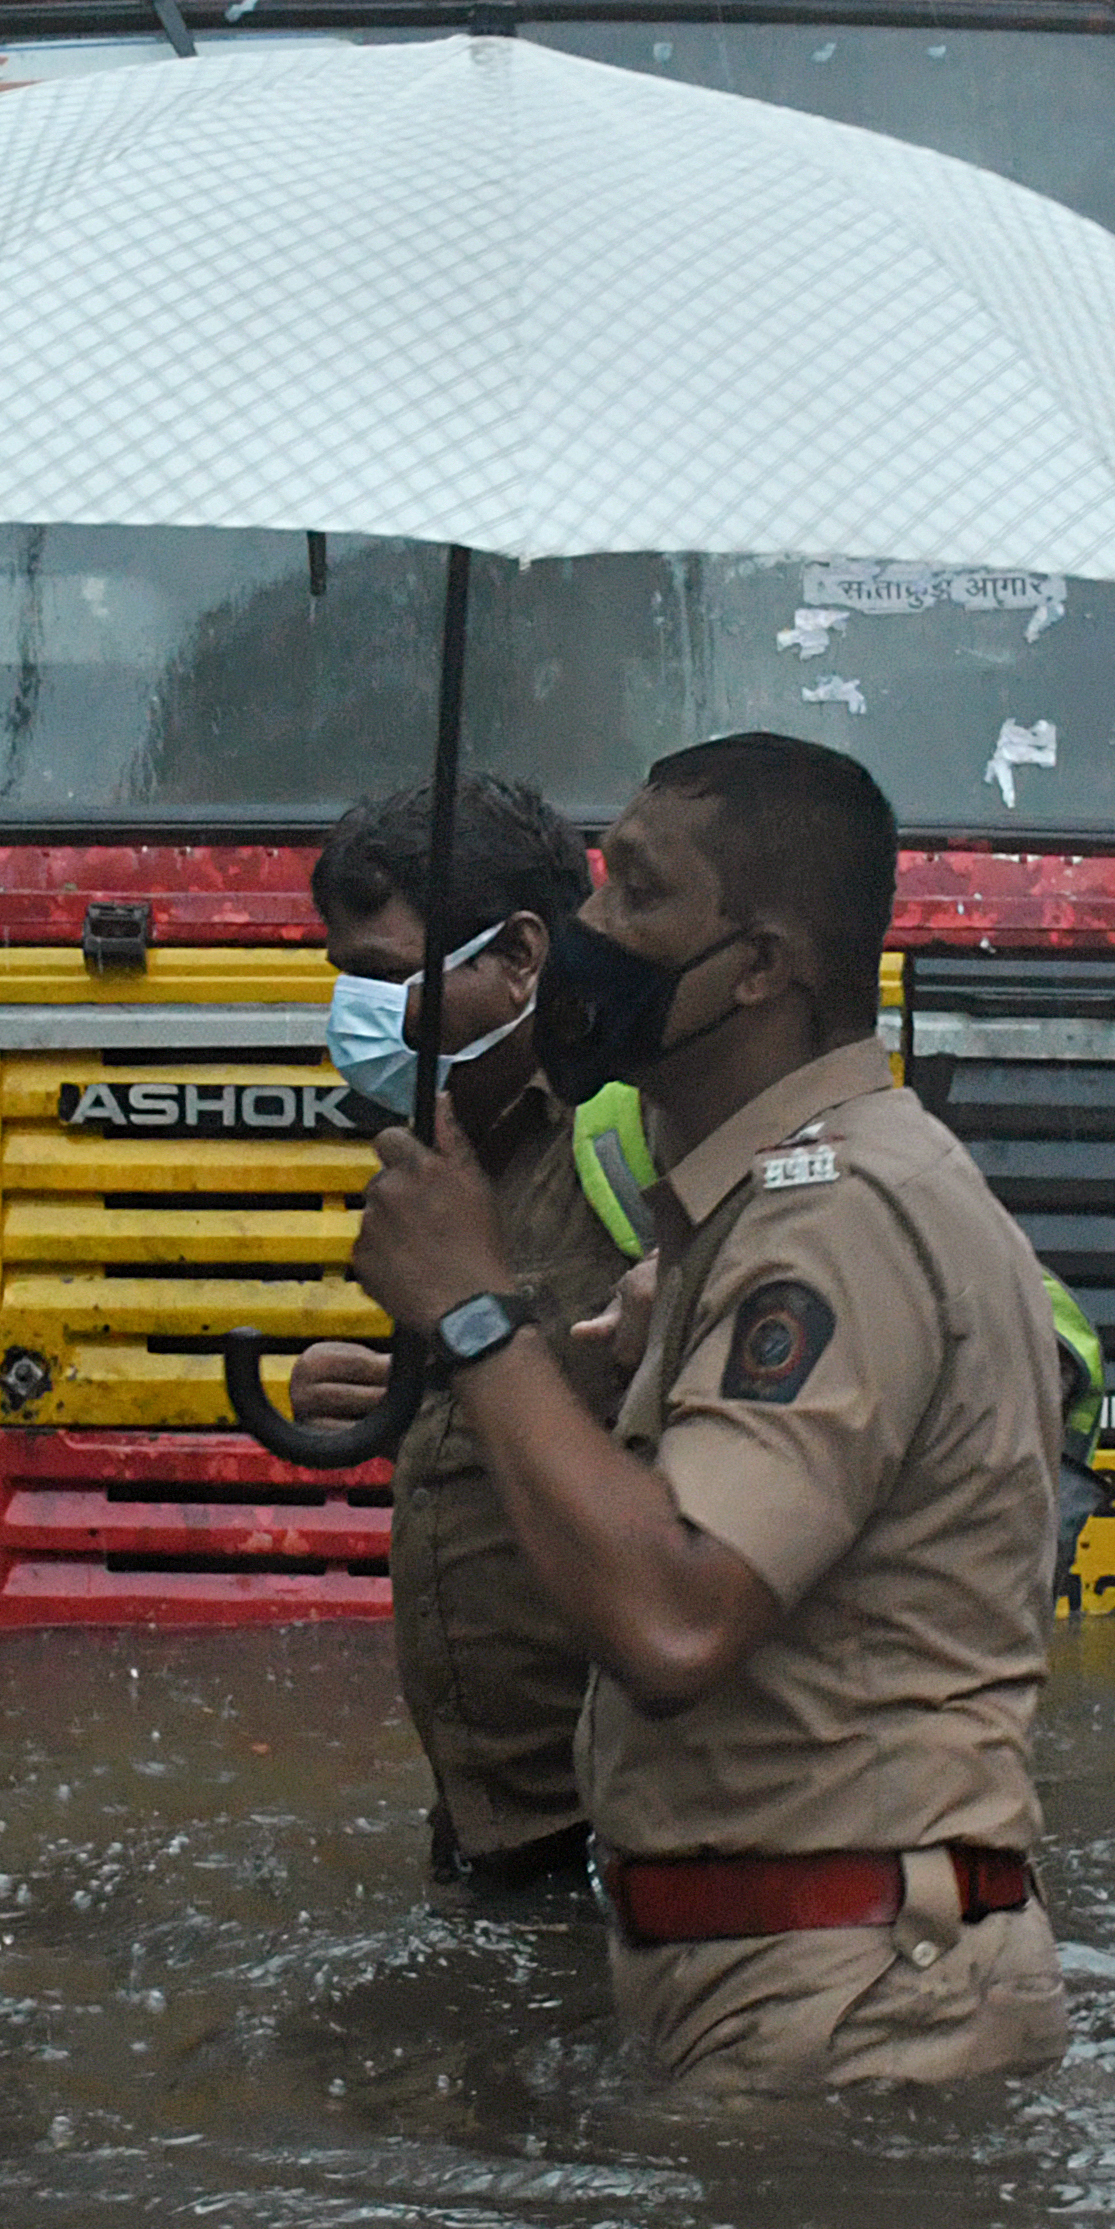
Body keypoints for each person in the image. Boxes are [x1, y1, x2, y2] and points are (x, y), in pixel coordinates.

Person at [349, 734, 1068, 2090]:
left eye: (635, 895)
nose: (585, 936)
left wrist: (476, 1312)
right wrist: (531, 1370)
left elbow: (677, 1615)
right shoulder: (764, 1204)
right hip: (789, 1980)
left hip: (846, 2011)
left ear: (759, 965)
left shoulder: (835, 1217)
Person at [288, 776, 636, 1891]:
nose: (357, 1015)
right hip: (494, 1829)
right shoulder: (440, 1164)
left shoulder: (640, 1132)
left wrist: (703, 1282)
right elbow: (543, 1416)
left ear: (522, 956)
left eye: (386, 980)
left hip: (633, 1828)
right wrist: (407, 1404)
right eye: (343, 983)